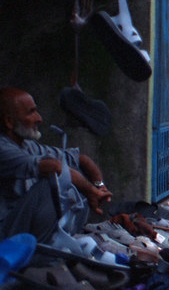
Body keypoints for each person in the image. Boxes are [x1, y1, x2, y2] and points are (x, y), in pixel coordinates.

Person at [0, 87, 112, 243]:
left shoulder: (26, 145)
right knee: (50, 182)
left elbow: (81, 159)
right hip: (6, 232)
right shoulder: (3, 148)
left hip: (21, 226)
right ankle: (43, 252)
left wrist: (99, 186)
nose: (39, 118)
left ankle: (61, 239)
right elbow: (55, 168)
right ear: (9, 121)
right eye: (31, 112)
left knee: (74, 171)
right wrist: (90, 190)